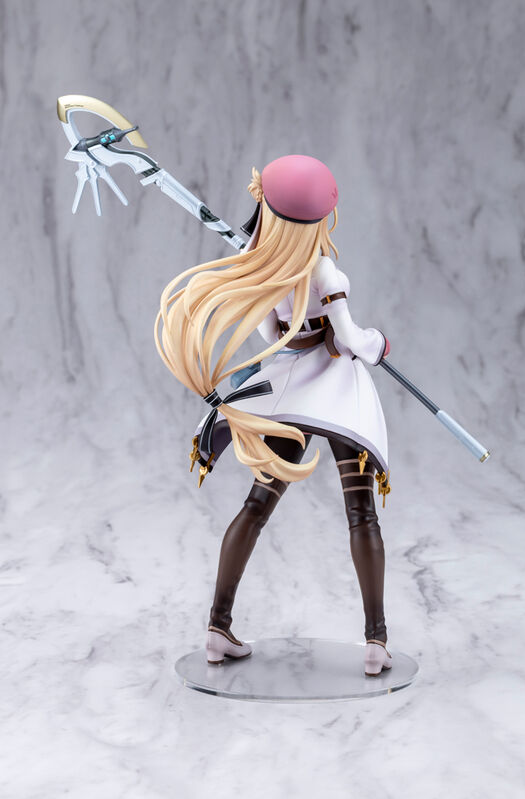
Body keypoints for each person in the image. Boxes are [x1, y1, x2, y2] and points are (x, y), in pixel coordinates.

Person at [155, 155, 392, 676]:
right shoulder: (324, 270)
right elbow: (352, 340)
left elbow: (270, 335)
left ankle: (217, 628)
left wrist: (304, 330)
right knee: (361, 514)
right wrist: (377, 343)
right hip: (337, 394)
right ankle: (376, 641)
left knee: (257, 504)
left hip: (290, 391)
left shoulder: (261, 264)